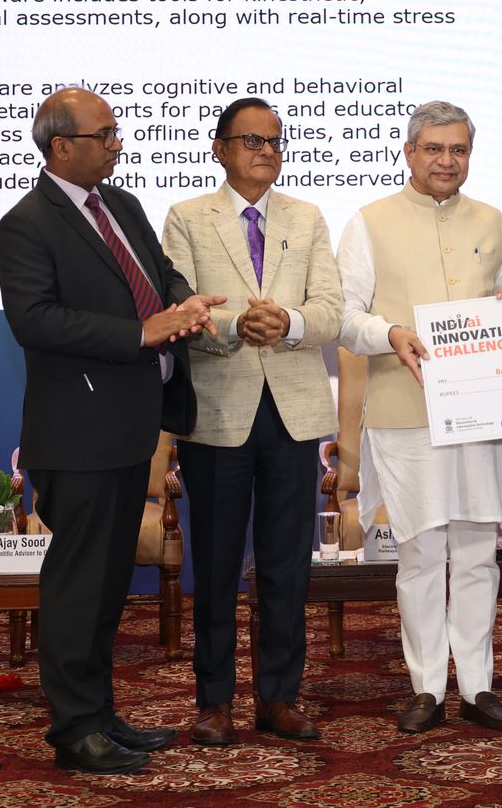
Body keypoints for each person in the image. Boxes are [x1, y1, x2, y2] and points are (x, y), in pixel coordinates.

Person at [0, 87, 223, 774]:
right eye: (105, 134)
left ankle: (100, 713)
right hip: (78, 433)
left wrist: (182, 302)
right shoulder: (27, 223)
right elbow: (34, 320)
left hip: (130, 429)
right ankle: (73, 732)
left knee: (107, 583)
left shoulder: (119, 205)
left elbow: (155, 275)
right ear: (62, 146)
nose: (117, 143)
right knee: (77, 586)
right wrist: (139, 332)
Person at [337, 101, 502, 735]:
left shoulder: (494, 220)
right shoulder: (370, 222)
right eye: (434, 149)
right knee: (420, 555)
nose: (447, 161)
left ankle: (477, 685)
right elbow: (342, 313)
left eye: (459, 150)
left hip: (483, 409)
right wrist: (389, 331)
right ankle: (427, 688)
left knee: (476, 551)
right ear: (410, 152)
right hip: (404, 409)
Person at [161, 97, 341, 746]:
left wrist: (288, 324)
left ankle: (278, 697)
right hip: (218, 414)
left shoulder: (307, 217)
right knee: (213, 563)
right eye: (250, 140)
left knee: (286, 564)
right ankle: (214, 701)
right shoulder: (186, 219)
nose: (266, 150)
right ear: (219, 149)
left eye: (275, 140)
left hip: (292, 413)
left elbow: (329, 308)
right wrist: (236, 326)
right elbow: (177, 306)